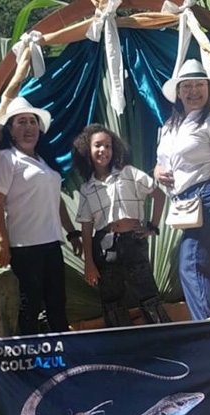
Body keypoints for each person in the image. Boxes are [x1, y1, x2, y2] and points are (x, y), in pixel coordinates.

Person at [155, 59, 210, 320]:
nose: (194, 91)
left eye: (199, 85)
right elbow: (161, 163)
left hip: (207, 197)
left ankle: (208, 332)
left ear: (208, 89)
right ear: (179, 92)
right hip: (185, 204)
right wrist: (157, 172)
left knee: (192, 266)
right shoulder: (170, 127)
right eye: (188, 86)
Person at [0, 97, 82, 335]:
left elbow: (56, 200)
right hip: (24, 247)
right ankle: (28, 361)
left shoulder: (43, 161)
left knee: (57, 305)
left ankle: (64, 358)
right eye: (21, 122)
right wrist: (2, 242)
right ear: (10, 129)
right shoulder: (6, 159)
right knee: (29, 307)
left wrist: (72, 233)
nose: (28, 127)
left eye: (32, 121)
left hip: (51, 243)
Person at [72, 124, 171, 327]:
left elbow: (158, 195)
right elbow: (87, 227)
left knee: (147, 293)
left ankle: (164, 338)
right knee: (111, 300)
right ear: (87, 150)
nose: (103, 151)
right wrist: (89, 263)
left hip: (132, 240)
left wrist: (151, 226)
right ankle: (123, 346)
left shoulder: (129, 173)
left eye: (108, 146)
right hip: (105, 245)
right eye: (98, 145)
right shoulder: (87, 188)